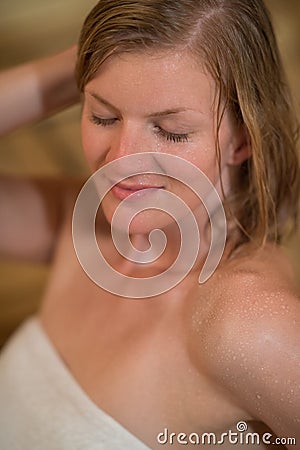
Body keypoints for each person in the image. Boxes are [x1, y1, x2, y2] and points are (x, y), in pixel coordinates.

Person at [0, 0, 299, 449]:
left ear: (243, 137)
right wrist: (80, 64)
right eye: (103, 115)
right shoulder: (83, 223)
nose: (122, 160)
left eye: (171, 130)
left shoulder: (250, 327)